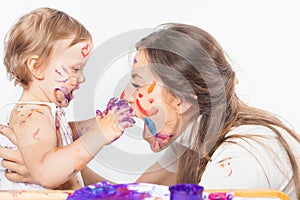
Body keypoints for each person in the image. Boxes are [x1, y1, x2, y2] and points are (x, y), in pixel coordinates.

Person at [1, 23, 299, 199]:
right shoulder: (190, 144)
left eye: (137, 84)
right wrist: (59, 169)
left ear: (181, 101)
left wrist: (62, 178)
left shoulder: (243, 156)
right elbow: (129, 192)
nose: (126, 97)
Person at [0, 7, 135, 190]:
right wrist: (99, 134)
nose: (81, 79)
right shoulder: (33, 116)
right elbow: (46, 173)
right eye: (75, 69)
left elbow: (65, 135)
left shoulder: (45, 113)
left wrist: (99, 122)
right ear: (37, 67)